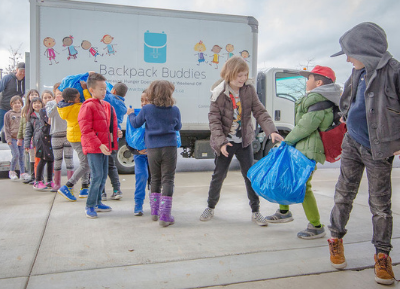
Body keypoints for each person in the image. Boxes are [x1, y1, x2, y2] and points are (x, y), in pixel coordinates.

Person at [327, 22, 400, 285]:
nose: (347, 58)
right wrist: (345, 118)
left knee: (380, 205)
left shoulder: (394, 71)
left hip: (379, 148)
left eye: (350, 53)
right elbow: (348, 99)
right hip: (352, 143)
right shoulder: (357, 73)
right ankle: (335, 238)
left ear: (366, 50)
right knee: (344, 193)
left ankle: (382, 256)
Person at [200, 56, 284, 226]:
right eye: (239, 75)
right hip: (225, 143)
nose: (243, 79)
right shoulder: (218, 93)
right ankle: (210, 206)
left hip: (244, 141)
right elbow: (214, 121)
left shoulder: (248, 91)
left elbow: (260, 111)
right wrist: (222, 143)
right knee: (218, 176)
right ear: (229, 74)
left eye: (245, 75)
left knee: (250, 177)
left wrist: (271, 131)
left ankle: (256, 211)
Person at [265, 66, 341, 239]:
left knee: (304, 186)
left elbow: (306, 126)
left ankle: (316, 226)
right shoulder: (318, 98)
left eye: (310, 78)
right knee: (285, 176)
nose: (307, 81)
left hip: (310, 148)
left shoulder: (319, 100)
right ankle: (284, 211)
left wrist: (287, 142)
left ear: (319, 82)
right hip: (304, 146)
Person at [127, 80, 182, 227]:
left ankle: (155, 212)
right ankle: (165, 216)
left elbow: (135, 124)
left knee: (155, 179)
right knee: (168, 179)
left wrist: (131, 115)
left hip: (152, 148)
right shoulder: (174, 109)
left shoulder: (147, 109)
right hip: (169, 147)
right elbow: (178, 126)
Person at [78, 73, 118, 218]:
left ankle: (98, 202)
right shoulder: (88, 106)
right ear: (91, 90)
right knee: (97, 176)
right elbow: (86, 130)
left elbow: (106, 126)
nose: (104, 91)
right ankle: (89, 205)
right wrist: (99, 145)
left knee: (102, 177)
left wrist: (116, 133)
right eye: (101, 89)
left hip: (104, 148)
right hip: (95, 148)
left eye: (105, 88)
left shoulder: (105, 105)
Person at [56, 82, 92, 201]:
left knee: (86, 161)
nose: (79, 98)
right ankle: (68, 186)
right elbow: (90, 102)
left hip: (75, 136)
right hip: (78, 138)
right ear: (71, 100)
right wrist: (85, 89)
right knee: (85, 164)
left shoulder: (64, 107)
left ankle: (85, 187)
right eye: (78, 97)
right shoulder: (77, 108)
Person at [0, 62, 26, 161]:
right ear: (16, 70)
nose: (22, 73)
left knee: (17, 131)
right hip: (2, 107)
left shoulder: (26, 80)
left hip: (15, 109)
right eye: (21, 71)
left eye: (24, 71)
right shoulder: (8, 78)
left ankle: (16, 153)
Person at [45, 82, 74, 192]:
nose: (60, 95)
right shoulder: (50, 103)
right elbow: (49, 115)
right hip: (56, 134)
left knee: (69, 160)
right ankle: (56, 183)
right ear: (54, 92)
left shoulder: (69, 103)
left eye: (62, 93)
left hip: (68, 134)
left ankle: (70, 184)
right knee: (57, 160)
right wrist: (57, 104)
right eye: (58, 93)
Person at [101, 82, 128, 201]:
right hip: (114, 140)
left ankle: (101, 192)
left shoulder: (109, 98)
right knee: (112, 166)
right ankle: (117, 190)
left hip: (103, 138)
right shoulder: (123, 106)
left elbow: (102, 93)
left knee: (100, 166)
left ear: (114, 91)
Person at [126, 89, 151, 216]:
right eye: (141, 100)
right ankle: (138, 204)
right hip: (139, 155)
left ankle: (155, 203)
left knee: (155, 180)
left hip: (154, 155)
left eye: (147, 100)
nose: (143, 103)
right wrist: (137, 151)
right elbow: (129, 140)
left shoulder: (155, 117)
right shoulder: (135, 116)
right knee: (141, 176)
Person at [24, 97, 54, 191]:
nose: (37, 104)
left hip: (49, 137)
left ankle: (49, 180)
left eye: (38, 102)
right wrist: (27, 144)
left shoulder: (47, 112)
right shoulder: (31, 117)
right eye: (34, 103)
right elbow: (28, 131)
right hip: (40, 139)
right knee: (43, 159)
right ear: (31, 105)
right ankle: (38, 181)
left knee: (51, 159)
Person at [18, 89, 40, 184]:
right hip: (28, 136)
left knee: (36, 157)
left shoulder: (40, 111)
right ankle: (32, 175)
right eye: (32, 95)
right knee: (31, 157)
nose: (34, 96)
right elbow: (22, 125)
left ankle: (36, 176)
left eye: (36, 94)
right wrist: (20, 137)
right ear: (28, 97)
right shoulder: (25, 110)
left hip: (37, 137)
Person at [4, 95, 25, 181]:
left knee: (21, 155)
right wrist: (8, 139)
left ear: (21, 104)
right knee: (16, 154)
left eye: (18, 103)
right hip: (12, 138)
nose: (17, 105)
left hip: (21, 138)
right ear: (11, 104)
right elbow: (6, 127)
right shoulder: (8, 114)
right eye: (15, 103)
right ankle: (12, 171)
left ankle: (23, 173)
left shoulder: (23, 113)